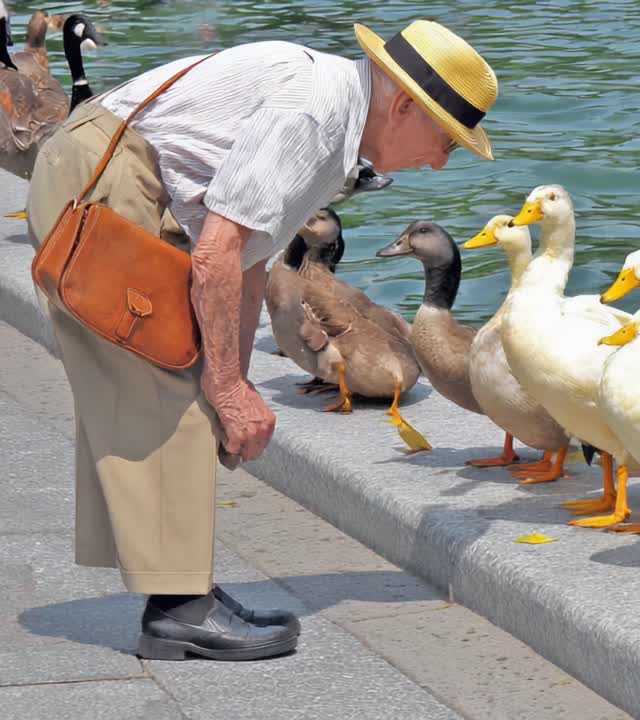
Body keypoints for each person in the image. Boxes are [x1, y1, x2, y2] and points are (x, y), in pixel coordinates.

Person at [22, 19, 498, 661]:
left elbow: (247, 259)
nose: (440, 160)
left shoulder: (337, 120)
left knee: (183, 378)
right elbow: (218, 253)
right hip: (105, 179)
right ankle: (179, 610)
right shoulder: (316, 117)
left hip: (110, 170)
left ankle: (185, 593)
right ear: (405, 104)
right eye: (445, 140)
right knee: (169, 379)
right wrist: (222, 383)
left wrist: (236, 380)